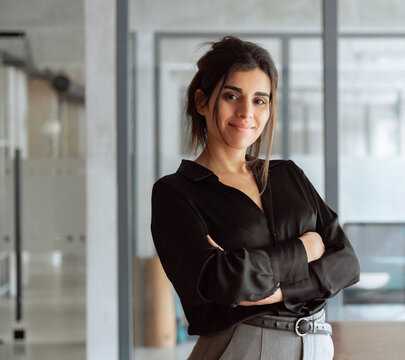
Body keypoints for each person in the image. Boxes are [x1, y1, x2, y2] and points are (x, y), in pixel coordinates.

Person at [150, 36, 360, 360]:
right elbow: (225, 282)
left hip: (316, 342)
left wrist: (273, 288)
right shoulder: (176, 193)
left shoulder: (288, 175)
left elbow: (346, 262)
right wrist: (305, 249)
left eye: (260, 100)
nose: (246, 112)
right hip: (244, 346)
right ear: (202, 101)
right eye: (233, 96)